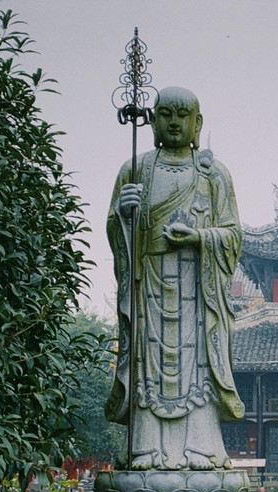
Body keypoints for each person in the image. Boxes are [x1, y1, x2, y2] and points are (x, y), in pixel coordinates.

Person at [105, 86, 244, 470]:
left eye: (183, 115)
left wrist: (200, 237)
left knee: (195, 367)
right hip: (148, 281)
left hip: (197, 288)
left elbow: (233, 235)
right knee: (147, 362)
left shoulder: (213, 175)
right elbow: (117, 234)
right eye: (165, 113)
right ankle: (145, 449)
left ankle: (202, 448)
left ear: (197, 123)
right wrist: (124, 215)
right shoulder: (135, 169)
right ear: (153, 121)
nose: (174, 122)